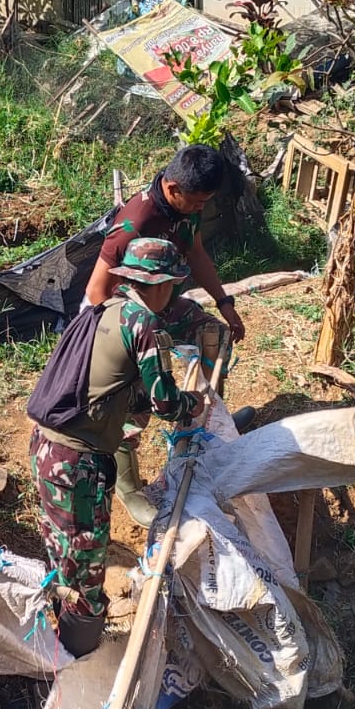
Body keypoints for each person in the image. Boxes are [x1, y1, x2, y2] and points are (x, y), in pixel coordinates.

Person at [30, 238, 206, 657]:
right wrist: (193, 403)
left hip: (46, 450)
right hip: (76, 465)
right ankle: (77, 664)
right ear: (162, 285)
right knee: (86, 576)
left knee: (63, 554)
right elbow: (165, 402)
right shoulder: (145, 325)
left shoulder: (103, 310)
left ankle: (59, 642)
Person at [85, 143, 251, 522]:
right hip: (127, 315)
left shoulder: (185, 206)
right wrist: (134, 340)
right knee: (136, 401)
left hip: (163, 303)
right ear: (173, 188)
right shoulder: (136, 221)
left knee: (213, 334)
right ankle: (129, 489)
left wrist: (224, 301)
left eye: (205, 202)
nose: (200, 208)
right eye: (195, 201)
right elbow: (97, 291)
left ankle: (205, 427)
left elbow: (195, 253)